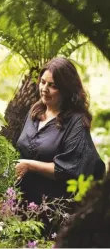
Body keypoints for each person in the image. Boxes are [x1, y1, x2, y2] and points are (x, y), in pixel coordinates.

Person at [15, 57, 105, 206]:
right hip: (22, 200)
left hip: (52, 205)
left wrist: (29, 165)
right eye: (43, 82)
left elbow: (68, 169)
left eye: (52, 85)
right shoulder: (35, 111)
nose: (44, 89)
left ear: (66, 89)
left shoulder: (76, 121)